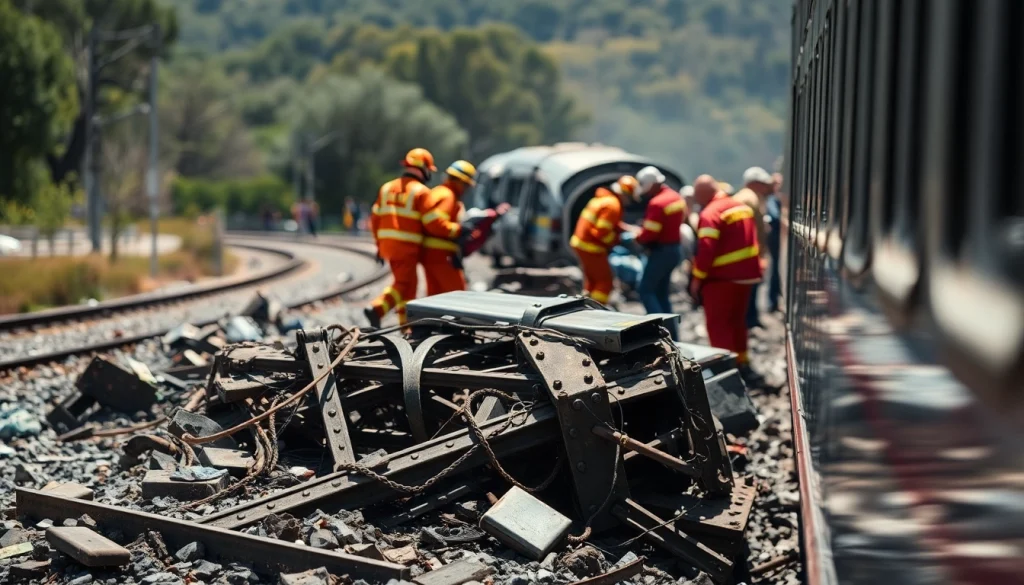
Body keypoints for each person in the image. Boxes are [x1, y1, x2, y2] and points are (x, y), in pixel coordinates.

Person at [689, 174, 766, 387]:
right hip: (747, 277)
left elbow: (706, 249)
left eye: (697, 196)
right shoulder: (740, 206)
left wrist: (697, 279)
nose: (696, 200)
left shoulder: (710, 213)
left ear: (703, 194)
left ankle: (725, 373)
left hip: (722, 280)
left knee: (719, 326)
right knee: (737, 323)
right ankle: (742, 364)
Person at [364, 148, 436, 328]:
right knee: (403, 284)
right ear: (424, 168)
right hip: (407, 247)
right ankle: (378, 308)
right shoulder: (422, 191)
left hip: (388, 246)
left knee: (410, 285)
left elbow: (375, 219)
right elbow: (431, 224)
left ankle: (407, 327)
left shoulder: (386, 187)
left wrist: (379, 246)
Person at [632, 165, 685, 340]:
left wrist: (637, 237)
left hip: (661, 252)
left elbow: (649, 234)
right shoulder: (676, 197)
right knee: (662, 293)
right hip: (674, 250)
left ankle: (659, 333)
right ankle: (673, 336)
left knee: (646, 290)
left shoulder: (657, 203)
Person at [570, 175, 641, 304]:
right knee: (604, 282)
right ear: (625, 195)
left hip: (580, 243)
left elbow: (609, 224)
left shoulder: (603, 199)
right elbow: (601, 232)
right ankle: (596, 310)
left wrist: (627, 229)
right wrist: (617, 241)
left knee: (592, 279)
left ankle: (585, 305)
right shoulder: (613, 205)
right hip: (591, 247)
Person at [419, 160, 483, 295]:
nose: (466, 189)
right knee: (457, 295)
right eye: (465, 185)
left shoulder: (438, 191)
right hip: (442, 254)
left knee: (434, 297)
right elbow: (435, 222)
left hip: (430, 253)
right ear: (459, 181)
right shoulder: (448, 196)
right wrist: (459, 230)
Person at [733, 167, 774, 329]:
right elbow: (753, 228)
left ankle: (750, 318)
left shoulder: (748, 197)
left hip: (748, 251)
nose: (766, 188)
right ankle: (749, 320)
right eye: (763, 184)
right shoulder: (750, 199)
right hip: (749, 252)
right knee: (749, 287)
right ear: (755, 184)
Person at [765, 173, 784, 313]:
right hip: (775, 238)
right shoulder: (772, 199)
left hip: (778, 237)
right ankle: (773, 301)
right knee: (776, 268)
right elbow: (775, 217)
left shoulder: (775, 199)